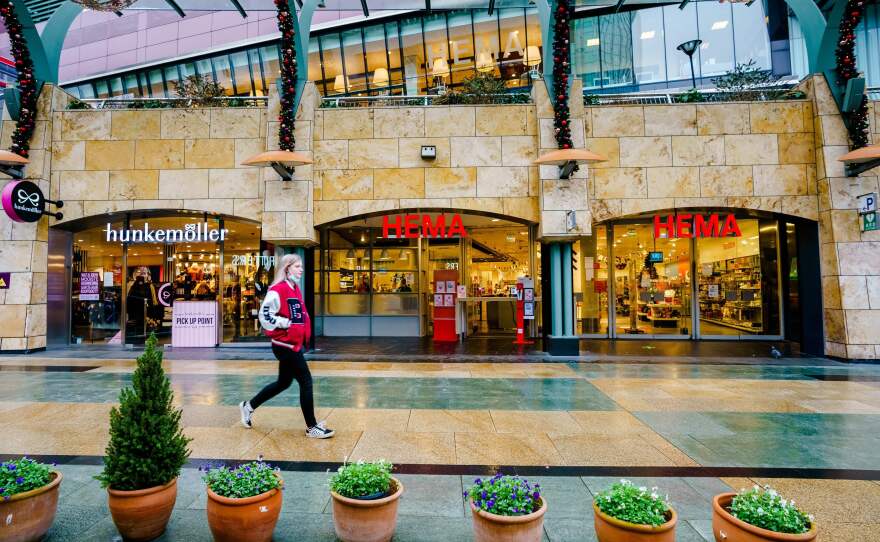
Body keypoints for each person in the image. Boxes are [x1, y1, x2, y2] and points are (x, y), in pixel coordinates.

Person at [239, 253, 334, 439]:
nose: (301, 269)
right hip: (284, 345)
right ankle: (312, 427)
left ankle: (248, 406)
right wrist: (286, 324)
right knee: (306, 380)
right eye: (297, 266)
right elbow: (265, 316)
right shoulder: (278, 289)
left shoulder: (294, 288)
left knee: (283, 383)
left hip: (293, 344)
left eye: (301, 266)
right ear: (287, 268)